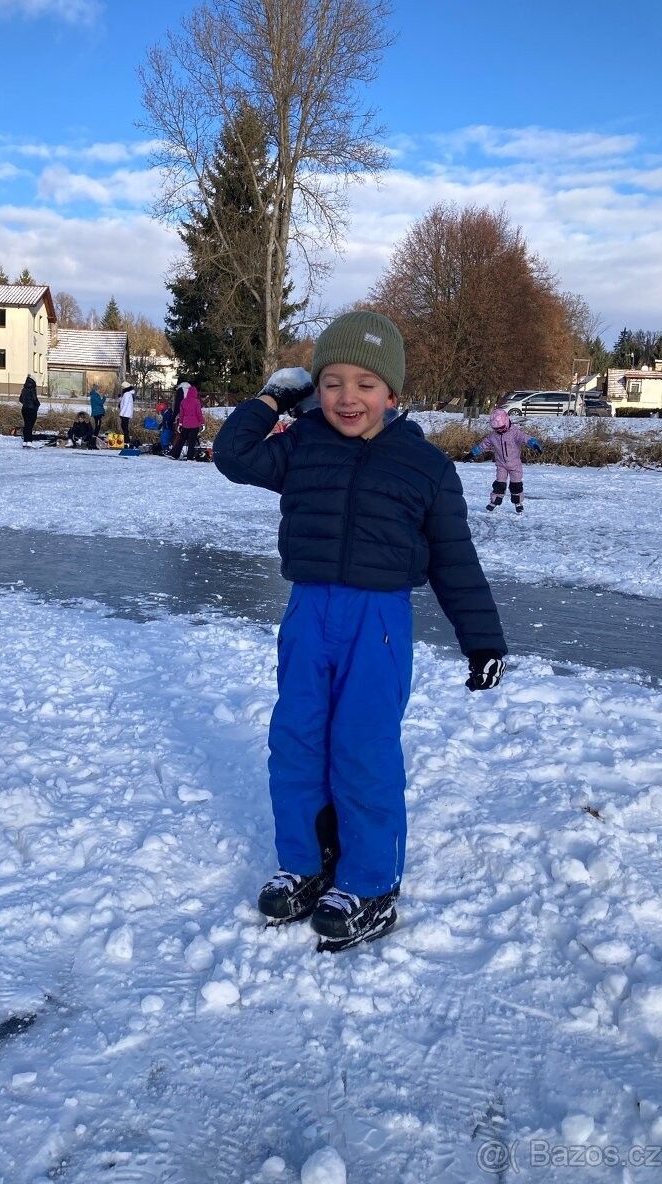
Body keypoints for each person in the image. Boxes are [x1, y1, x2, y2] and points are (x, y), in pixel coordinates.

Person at [213, 311, 507, 952]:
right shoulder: (302, 444)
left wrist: (482, 639)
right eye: (332, 382)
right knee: (295, 740)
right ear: (314, 389)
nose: (348, 398)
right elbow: (232, 455)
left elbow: (455, 559)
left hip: (378, 623)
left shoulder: (423, 466)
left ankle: (371, 884)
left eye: (366, 384)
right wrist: (272, 396)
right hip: (308, 614)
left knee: (362, 749)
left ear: (393, 394)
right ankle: (308, 863)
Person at [468, 408, 542, 513]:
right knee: (499, 484)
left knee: (516, 485)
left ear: (506, 422)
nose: (499, 430)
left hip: (515, 465)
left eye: (501, 428)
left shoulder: (514, 432)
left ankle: (518, 503)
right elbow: (483, 445)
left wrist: (534, 444)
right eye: (496, 429)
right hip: (501, 465)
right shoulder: (493, 436)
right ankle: (494, 501)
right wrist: (472, 453)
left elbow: (525, 438)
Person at [171, 379, 204, 460]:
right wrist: (202, 423)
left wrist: (180, 424)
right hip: (194, 424)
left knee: (181, 440)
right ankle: (190, 456)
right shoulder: (196, 402)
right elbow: (199, 413)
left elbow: (181, 414)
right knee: (191, 441)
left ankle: (175, 454)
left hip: (185, 423)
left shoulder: (183, 401)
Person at [19, 374, 40, 446]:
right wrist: (37, 404)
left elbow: (20, 399)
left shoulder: (23, 389)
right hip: (31, 409)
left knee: (26, 425)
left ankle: (25, 441)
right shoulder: (32, 389)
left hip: (24, 409)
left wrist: (25, 403)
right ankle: (29, 441)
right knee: (30, 425)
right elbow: (34, 399)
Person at [119, 380, 136, 447]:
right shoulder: (128, 394)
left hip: (125, 414)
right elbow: (125, 402)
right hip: (127, 413)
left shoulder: (126, 394)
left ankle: (127, 441)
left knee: (124, 427)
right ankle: (127, 441)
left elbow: (125, 404)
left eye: (123, 387)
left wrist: (121, 413)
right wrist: (120, 398)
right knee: (124, 427)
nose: (122, 388)